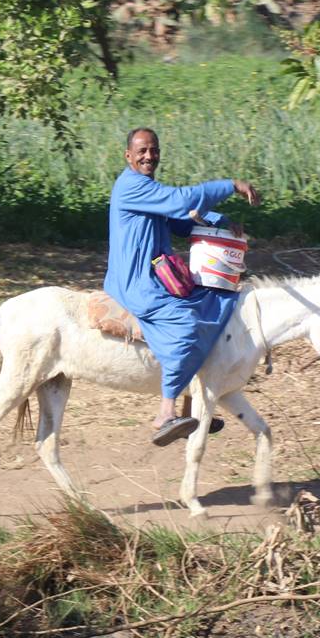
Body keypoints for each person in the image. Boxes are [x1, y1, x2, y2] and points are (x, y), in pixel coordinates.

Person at [104, 127, 261, 446]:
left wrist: (220, 221)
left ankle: (193, 408)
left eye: (154, 150)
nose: (149, 156)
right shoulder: (131, 186)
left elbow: (179, 218)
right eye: (142, 151)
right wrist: (230, 186)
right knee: (186, 324)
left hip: (158, 275)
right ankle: (165, 413)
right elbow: (181, 200)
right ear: (128, 156)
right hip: (136, 282)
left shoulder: (147, 189)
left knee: (210, 306)